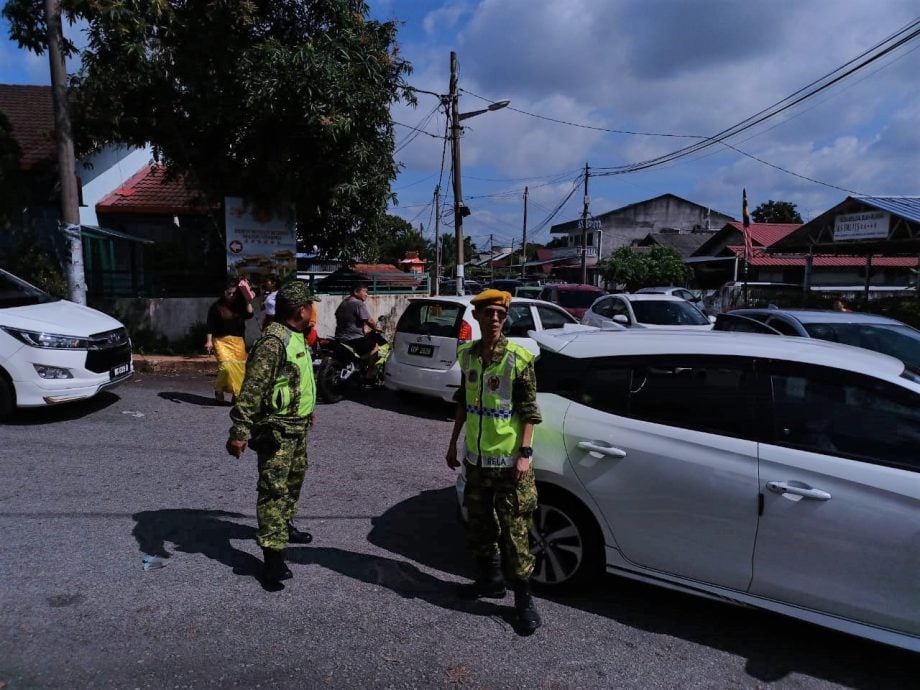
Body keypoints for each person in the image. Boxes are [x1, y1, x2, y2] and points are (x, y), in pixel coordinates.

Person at [445, 289, 543, 635]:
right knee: (480, 528)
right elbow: (463, 403)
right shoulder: (468, 355)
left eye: (501, 313)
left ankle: (524, 602)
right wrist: (453, 443)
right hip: (476, 463)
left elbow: (530, 411)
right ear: (478, 317)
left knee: (516, 535)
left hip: (509, 466)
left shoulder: (518, 357)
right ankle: (489, 581)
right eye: (489, 313)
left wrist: (525, 455)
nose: (496, 319)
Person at [225, 281, 320, 589]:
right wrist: (239, 431)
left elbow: (298, 379)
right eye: (311, 306)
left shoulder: (296, 336)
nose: (313, 311)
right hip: (277, 429)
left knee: (294, 480)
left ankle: (285, 524)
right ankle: (273, 559)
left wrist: (309, 410)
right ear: (302, 310)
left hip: (298, 425)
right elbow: (252, 389)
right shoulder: (273, 341)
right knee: (273, 491)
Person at [205, 279, 255, 404]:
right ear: (223, 292)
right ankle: (219, 389)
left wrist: (248, 301)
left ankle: (236, 394)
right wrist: (209, 341)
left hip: (238, 341)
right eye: (229, 293)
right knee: (226, 367)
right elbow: (210, 325)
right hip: (221, 341)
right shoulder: (216, 307)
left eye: (234, 293)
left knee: (239, 369)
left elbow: (250, 315)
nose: (231, 296)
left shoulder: (239, 305)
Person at [334, 281, 384, 381]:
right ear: (356, 292)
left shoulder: (344, 303)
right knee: (375, 347)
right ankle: (369, 374)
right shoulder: (358, 304)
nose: (367, 294)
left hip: (340, 337)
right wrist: (376, 328)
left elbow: (346, 319)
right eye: (365, 291)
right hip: (353, 339)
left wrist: (364, 329)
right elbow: (369, 320)